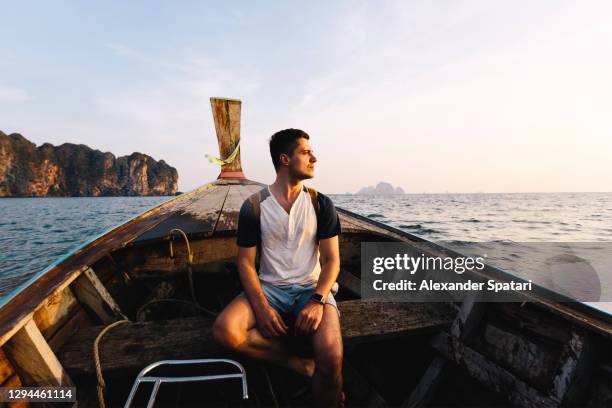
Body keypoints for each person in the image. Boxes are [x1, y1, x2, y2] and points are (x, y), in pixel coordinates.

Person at [213, 128, 343, 407]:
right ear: (285, 159)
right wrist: (261, 307)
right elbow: (246, 263)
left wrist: (318, 300)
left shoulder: (320, 203)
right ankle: (302, 366)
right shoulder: (255, 206)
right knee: (225, 330)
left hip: (311, 288)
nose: (314, 158)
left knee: (331, 355)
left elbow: (332, 260)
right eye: (306, 152)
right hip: (270, 288)